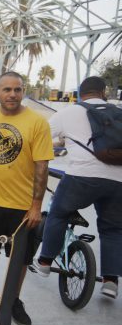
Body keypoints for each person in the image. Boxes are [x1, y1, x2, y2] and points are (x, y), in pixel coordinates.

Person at [0, 71, 53, 325]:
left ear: (23, 91)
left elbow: (42, 167)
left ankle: (13, 300)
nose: (12, 94)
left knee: (22, 257)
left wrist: (36, 205)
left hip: (22, 206)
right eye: (7, 90)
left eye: (17, 89)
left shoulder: (38, 122)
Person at [32, 76, 122, 298]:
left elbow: (40, 137)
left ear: (81, 93)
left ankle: (44, 261)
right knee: (112, 229)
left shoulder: (69, 113)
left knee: (58, 213)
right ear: (103, 92)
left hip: (82, 177)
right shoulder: (118, 112)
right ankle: (110, 281)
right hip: (118, 181)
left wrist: (61, 143)